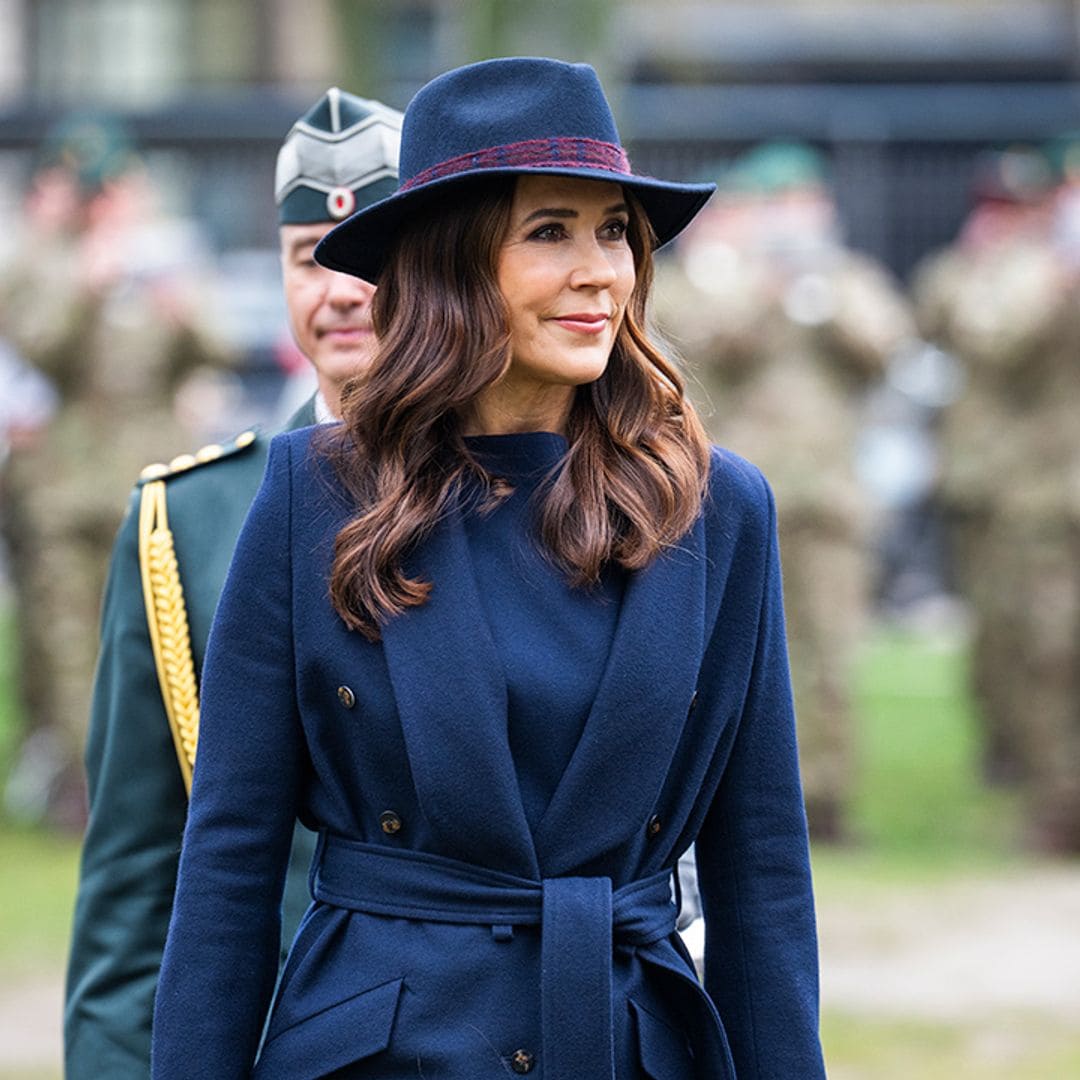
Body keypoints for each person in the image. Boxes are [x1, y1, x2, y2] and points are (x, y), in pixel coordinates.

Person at [152, 58, 825, 1079]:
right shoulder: (313, 494)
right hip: (378, 1055)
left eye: (615, 232)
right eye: (550, 231)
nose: (601, 269)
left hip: (632, 1050)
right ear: (450, 263)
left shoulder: (721, 508)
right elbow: (230, 863)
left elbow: (764, 875)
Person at [63, 89, 403, 1078]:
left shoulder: (528, 489)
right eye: (307, 256)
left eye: (369, 257)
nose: (337, 289)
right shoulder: (190, 520)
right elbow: (135, 885)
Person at [655, 142, 914, 841]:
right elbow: (696, 349)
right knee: (721, 649)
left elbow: (885, 348)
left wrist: (819, 293)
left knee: (827, 649)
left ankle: (822, 800)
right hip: (723, 500)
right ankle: (715, 797)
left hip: (826, 498)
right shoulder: (705, 282)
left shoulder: (844, 278)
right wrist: (762, 291)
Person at [0, 116, 230, 825]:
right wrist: (87, 284)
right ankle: (96, 791)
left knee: (168, 636)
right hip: (67, 490)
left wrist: (180, 310)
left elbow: (218, 347)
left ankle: (173, 782)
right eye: (90, 190)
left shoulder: (167, 254)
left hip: (154, 480)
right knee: (73, 651)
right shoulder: (42, 263)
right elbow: (37, 351)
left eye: (113, 187)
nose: (104, 203)